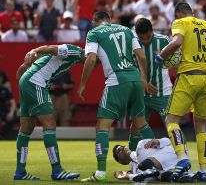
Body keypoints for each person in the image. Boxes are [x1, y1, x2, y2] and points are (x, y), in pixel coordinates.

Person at [155, 2, 206, 182]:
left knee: (171, 120)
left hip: (189, 76)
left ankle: (182, 159)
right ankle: (203, 170)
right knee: (201, 126)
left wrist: (160, 57)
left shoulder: (181, 23)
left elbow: (176, 43)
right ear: (192, 12)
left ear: (178, 14)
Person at [78, 11, 155, 183]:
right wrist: (143, 77)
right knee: (141, 123)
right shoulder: (127, 30)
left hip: (116, 81)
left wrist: (82, 83)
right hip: (135, 79)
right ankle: (157, 162)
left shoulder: (94, 32)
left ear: (94, 21)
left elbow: (90, 59)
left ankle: (100, 173)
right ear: (110, 19)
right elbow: (141, 56)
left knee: (102, 127)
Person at [14, 44, 84, 180]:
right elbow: (51, 48)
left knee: (26, 129)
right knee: (50, 124)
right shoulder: (75, 52)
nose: (95, 65)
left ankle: (20, 172)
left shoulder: (70, 57)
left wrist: (27, 65)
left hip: (28, 81)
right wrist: (34, 50)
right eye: (96, 61)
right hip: (36, 83)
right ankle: (57, 170)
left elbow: (47, 55)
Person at [128, 17, 172, 153]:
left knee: (172, 126)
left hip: (162, 92)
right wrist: (142, 81)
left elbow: (174, 62)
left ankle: (181, 159)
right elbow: (129, 66)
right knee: (135, 126)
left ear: (152, 31)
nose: (146, 41)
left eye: (148, 37)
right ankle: (134, 161)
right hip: (141, 94)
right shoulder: (132, 44)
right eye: (142, 39)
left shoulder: (164, 41)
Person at [113, 138, 200, 183]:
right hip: (171, 166)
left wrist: (159, 141)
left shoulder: (141, 145)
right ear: (122, 162)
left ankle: (152, 167)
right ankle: (189, 175)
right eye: (118, 151)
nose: (121, 148)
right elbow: (143, 178)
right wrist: (128, 176)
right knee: (161, 176)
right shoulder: (134, 169)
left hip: (177, 153)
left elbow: (169, 141)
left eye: (122, 146)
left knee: (145, 165)